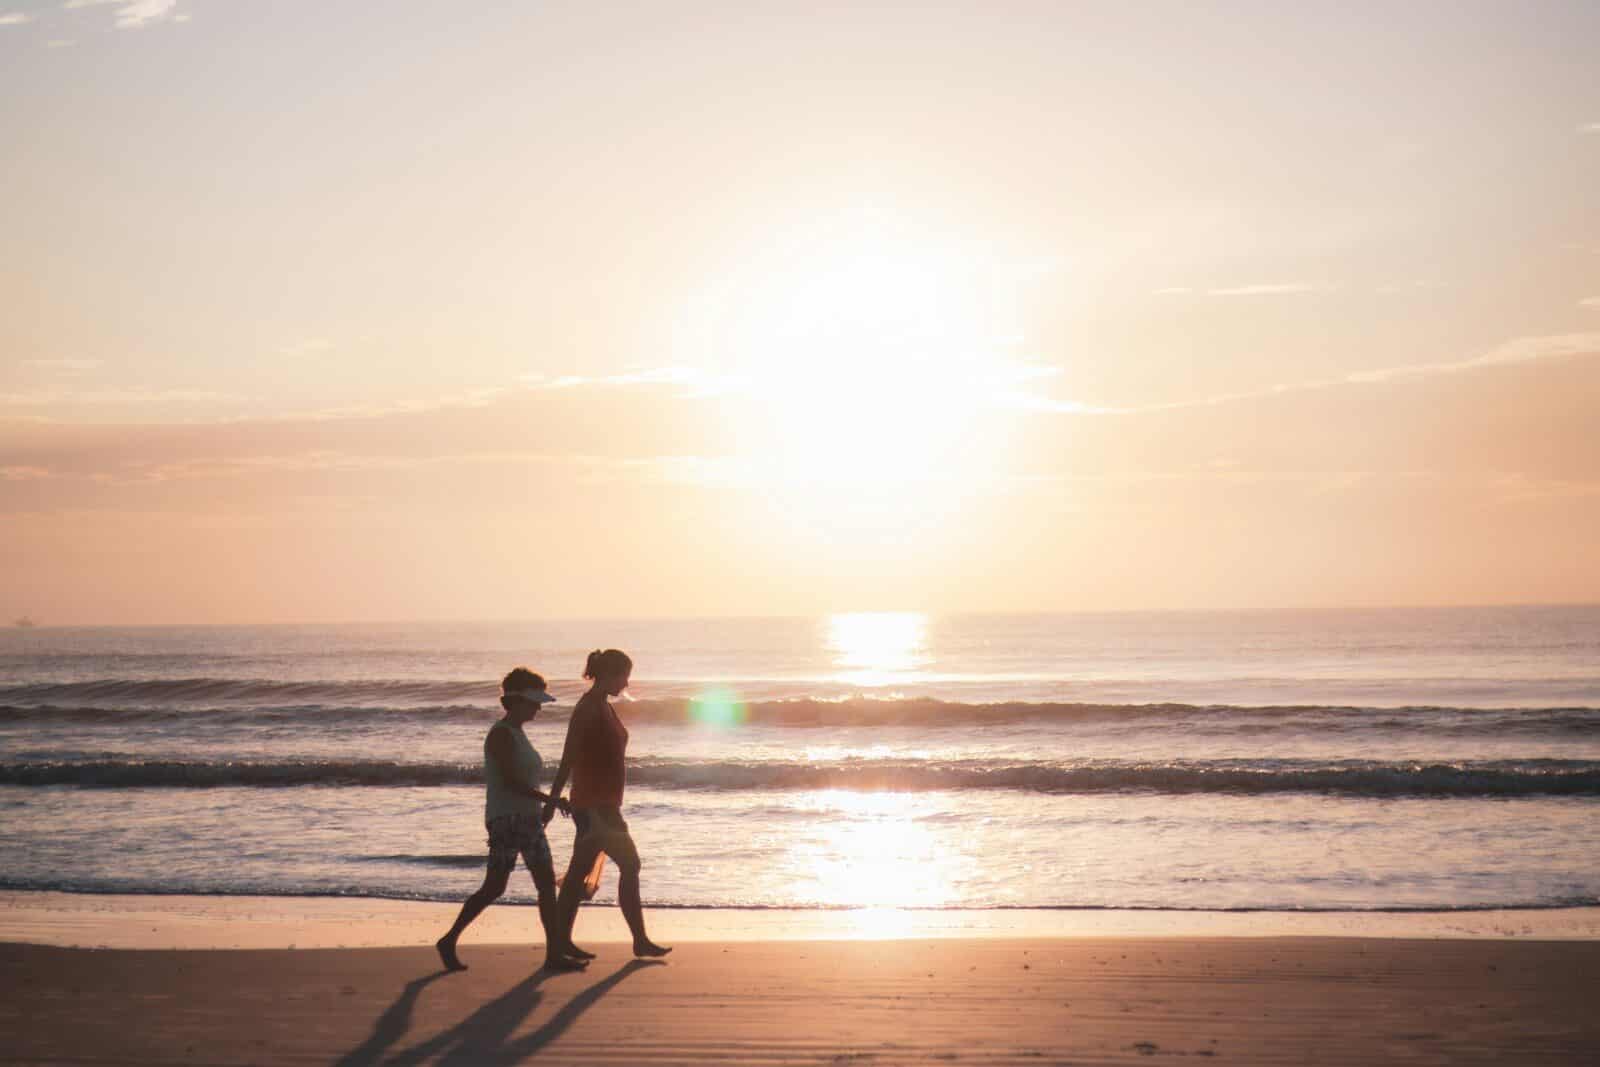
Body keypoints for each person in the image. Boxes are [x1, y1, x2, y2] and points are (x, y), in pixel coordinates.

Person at [435, 668, 590, 973]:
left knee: (543, 884)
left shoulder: (518, 733)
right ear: (518, 700)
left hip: (527, 819)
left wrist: (543, 805)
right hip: (507, 819)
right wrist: (551, 800)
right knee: (495, 887)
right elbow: (510, 782)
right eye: (534, 702)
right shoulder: (501, 734)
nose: (538, 708)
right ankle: (449, 939)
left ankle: (553, 954)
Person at [545, 648, 671, 959]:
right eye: (624, 676)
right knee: (628, 864)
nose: (627, 683)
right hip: (594, 805)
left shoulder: (602, 705)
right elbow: (568, 756)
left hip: (602, 803)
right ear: (609, 675)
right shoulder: (588, 708)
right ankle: (637, 940)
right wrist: (552, 800)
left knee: (580, 872)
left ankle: (561, 942)